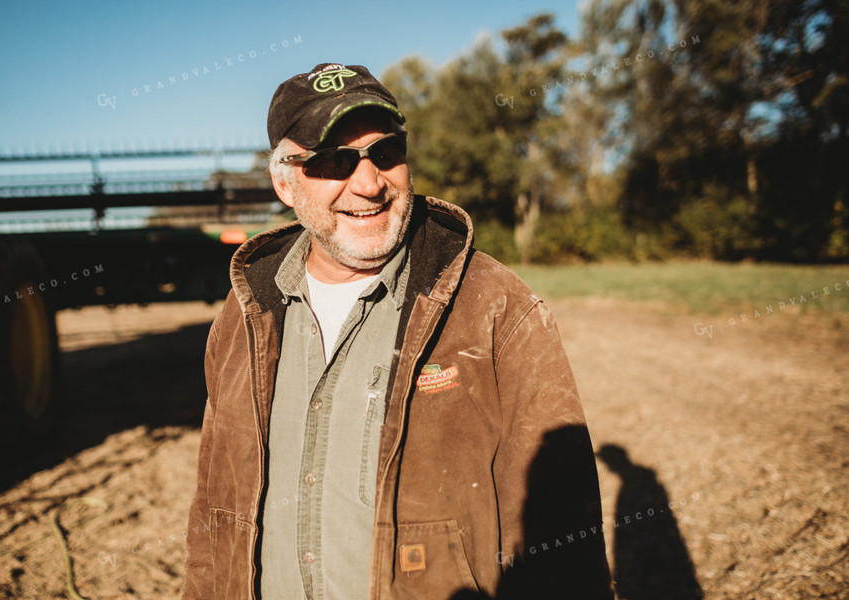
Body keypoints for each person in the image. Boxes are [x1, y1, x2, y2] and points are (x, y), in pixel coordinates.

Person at [182, 62, 614, 600]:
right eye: (335, 161)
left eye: (385, 153)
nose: (369, 184)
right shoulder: (244, 314)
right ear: (284, 182)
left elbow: (565, 532)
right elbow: (213, 509)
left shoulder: (496, 306)